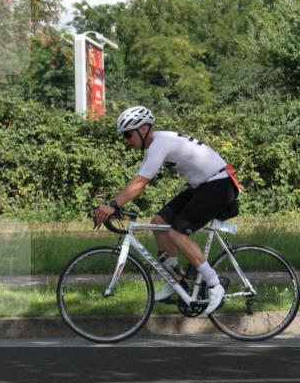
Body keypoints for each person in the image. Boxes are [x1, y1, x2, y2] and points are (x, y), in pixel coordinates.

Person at [91, 106, 241, 315]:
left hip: (220, 184)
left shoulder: (160, 144)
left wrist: (113, 205)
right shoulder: (157, 144)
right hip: (204, 184)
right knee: (159, 222)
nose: (125, 140)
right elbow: (138, 179)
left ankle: (215, 285)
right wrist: (115, 203)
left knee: (176, 233)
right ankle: (174, 279)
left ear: (143, 129)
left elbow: (140, 183)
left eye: (128, 134)